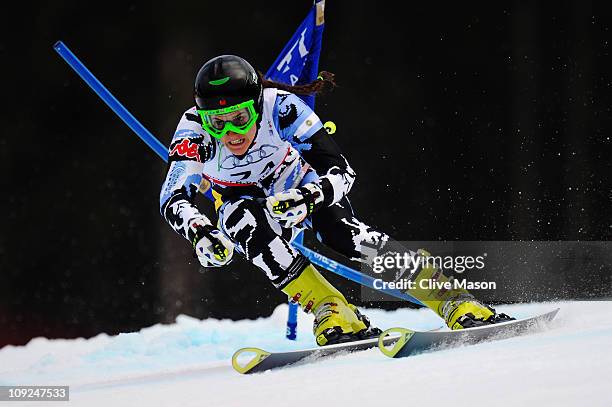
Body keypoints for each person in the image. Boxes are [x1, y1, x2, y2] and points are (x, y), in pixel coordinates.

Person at [159, 55, 512, 346]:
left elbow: (342, 171)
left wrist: (310, 196)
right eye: (216, 123)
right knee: (240, 223)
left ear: (256, 105)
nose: (229, 134)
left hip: (299, 181)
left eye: (239, 119)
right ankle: (331, 309)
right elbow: (173, 194)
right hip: (243, 197)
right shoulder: (194, 130)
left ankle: (450, 298)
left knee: (341, 233)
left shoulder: (281, 108)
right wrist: (200, 233)